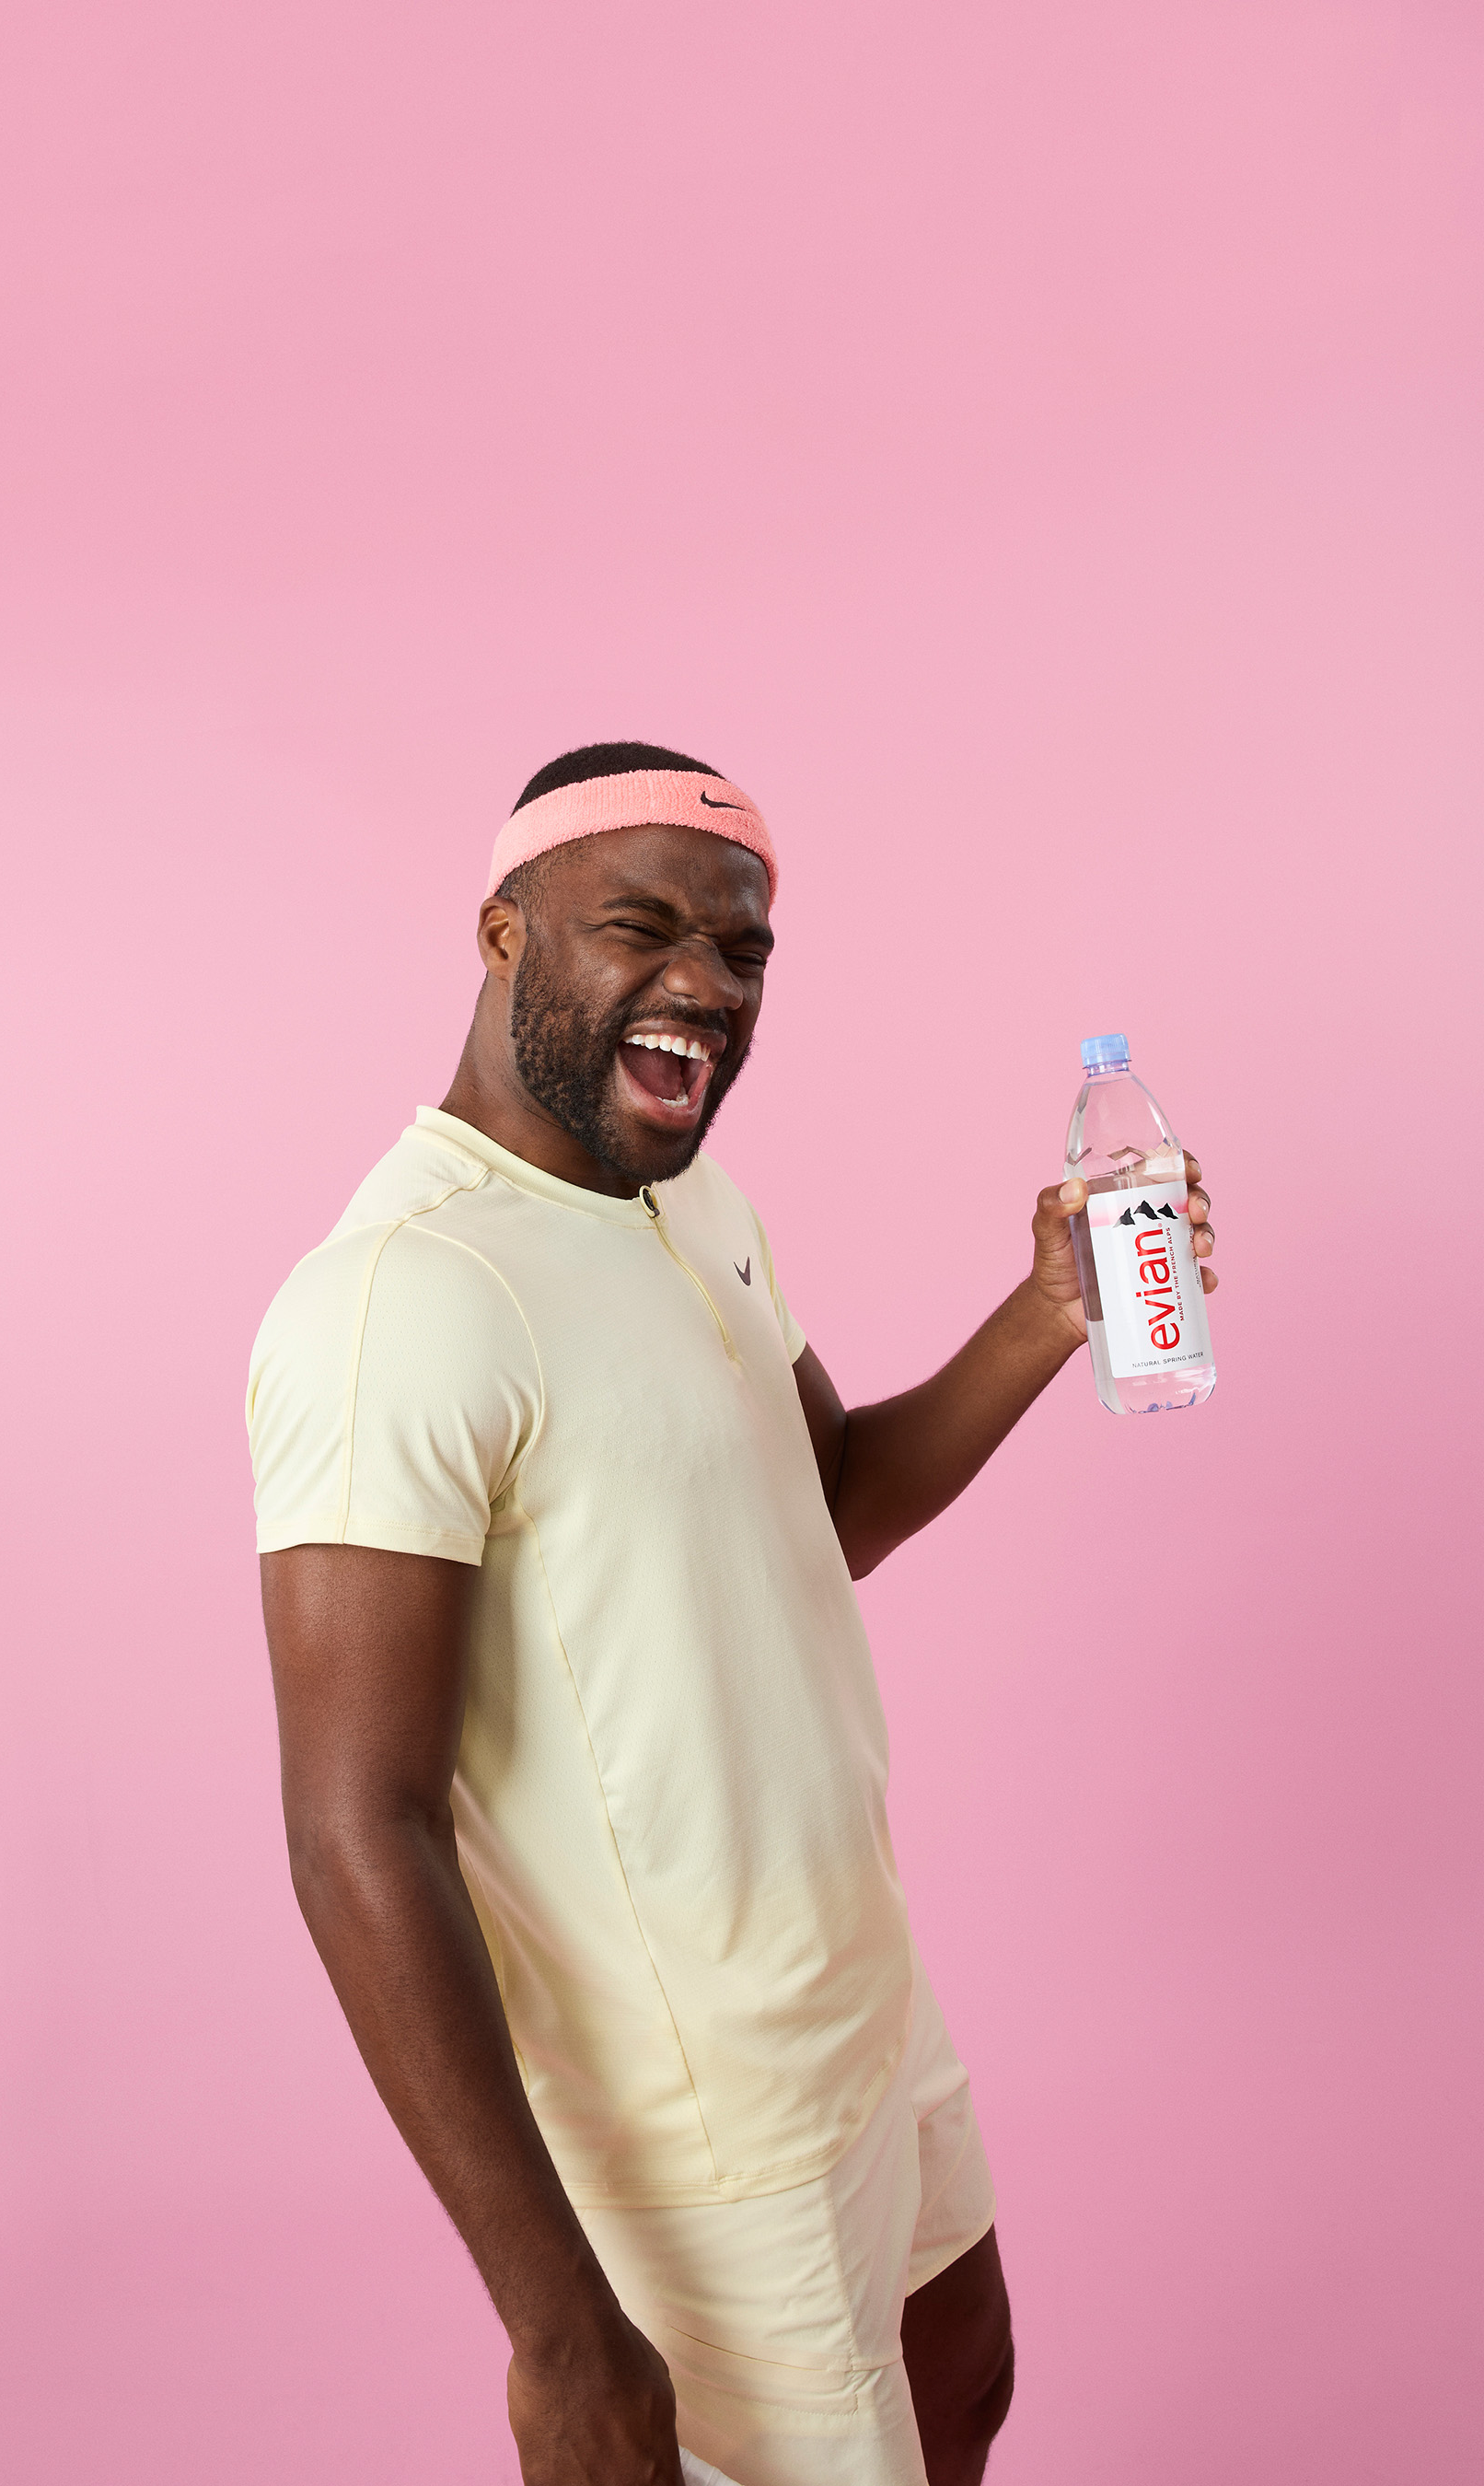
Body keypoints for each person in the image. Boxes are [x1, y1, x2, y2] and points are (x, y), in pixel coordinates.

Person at [247, 742, 1218, 2486]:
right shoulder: (401, 1300)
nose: (705, 984)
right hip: (693, 2104)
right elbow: (352, 1831)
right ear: (501, 933)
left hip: (853, 1985)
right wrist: (553, 2324)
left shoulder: (690, 1201)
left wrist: (1049, 1310)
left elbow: (822, 1507)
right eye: (641, 927)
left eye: (745, 949)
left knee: (964, 2380)